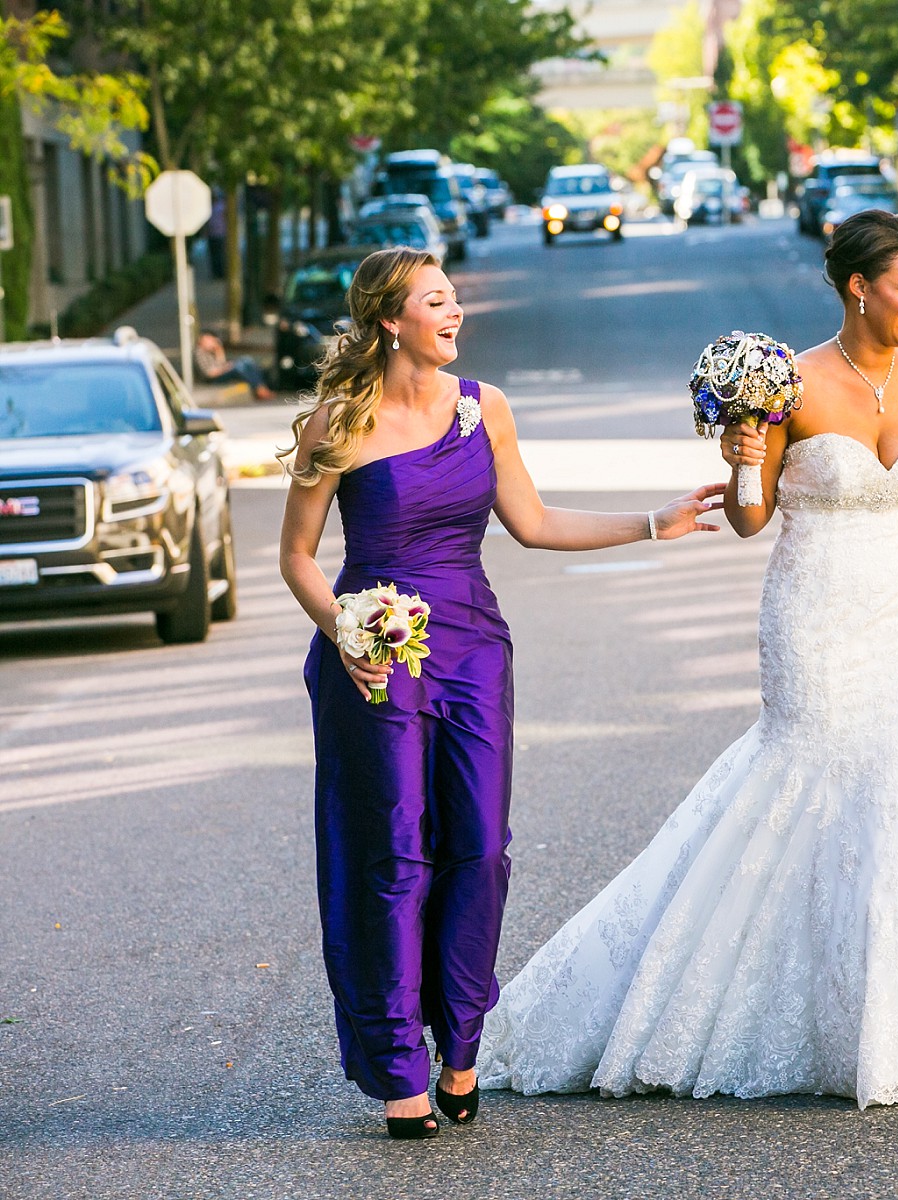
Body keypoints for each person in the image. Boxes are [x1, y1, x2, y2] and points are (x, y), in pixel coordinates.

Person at [476, 211, 898, 1108]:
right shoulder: (789, 381)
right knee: (807, 776)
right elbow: (753, 518)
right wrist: (746, 456)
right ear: (858, 288)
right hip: (815, 608)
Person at [278, 246, 723, 1139]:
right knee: (394, 855)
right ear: (388, 321)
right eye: (436, 302)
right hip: (376, 656)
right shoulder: (334, 423)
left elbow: (533, 522)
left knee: (479, 847)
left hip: (474, 649)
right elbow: (296, 555)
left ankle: (461, 1050)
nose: (455, 315)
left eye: (455, 301)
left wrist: (651, 523)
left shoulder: (487, 410)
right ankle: (402, 1067)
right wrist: (345, 631)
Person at [196, 331, 275, 401]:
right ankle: (260, 389)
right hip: (213, 379)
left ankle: (261, 387)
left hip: (221, 371)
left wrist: (218, 350)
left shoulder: (211, 352)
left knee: (246, 360)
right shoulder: (200, 353)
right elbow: (209, 373)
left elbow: (221, 363)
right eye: (209, 340)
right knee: (239, 367)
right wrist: (225, 368)